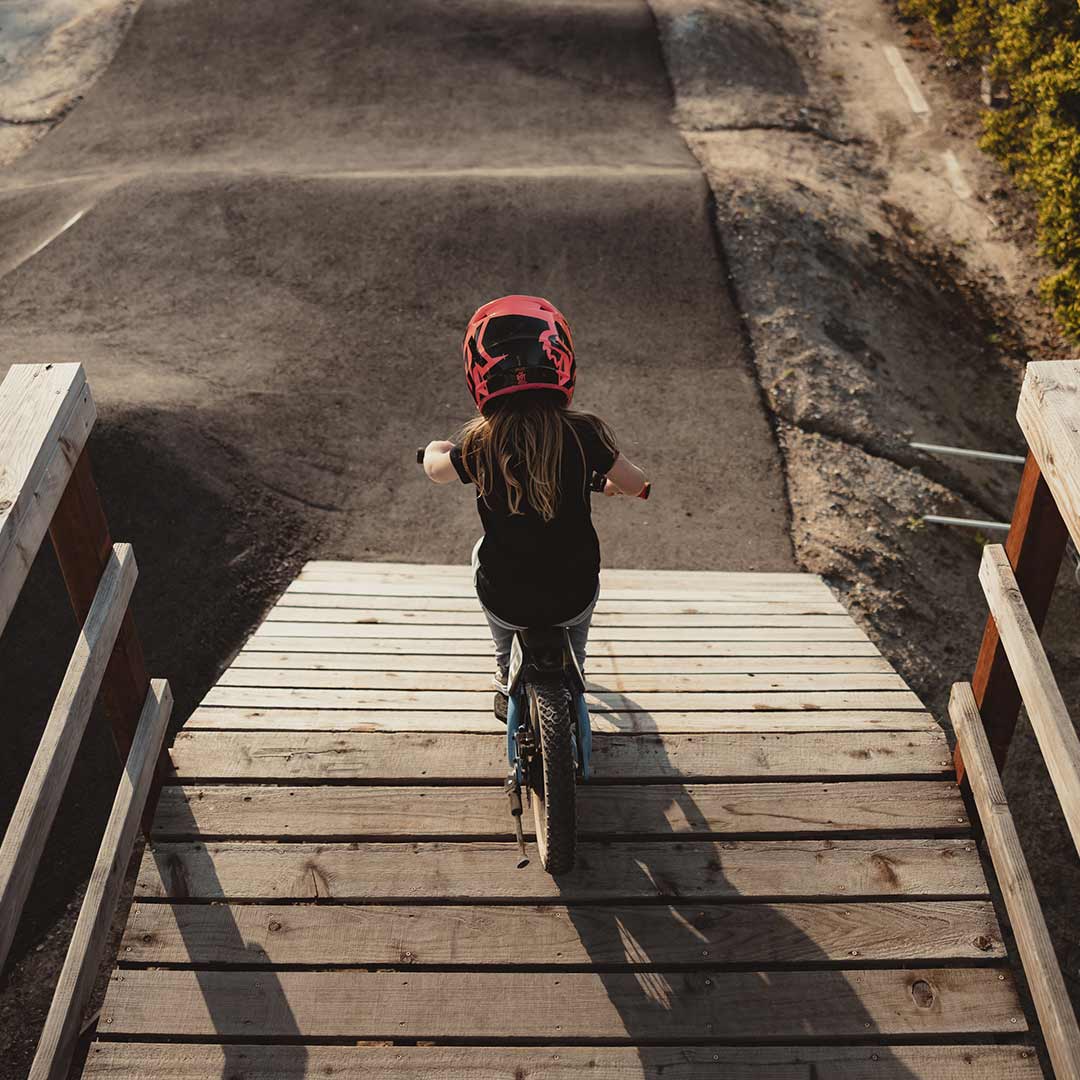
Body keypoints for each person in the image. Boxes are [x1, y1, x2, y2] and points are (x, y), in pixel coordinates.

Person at [421, 294, 649, 705]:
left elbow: (437, 472)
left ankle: (503, 664)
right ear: (562, 362)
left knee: (480, 552)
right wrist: (618, 484)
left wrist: (435, 450)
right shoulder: (585, 433)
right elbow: (636, 483)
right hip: (573, 594)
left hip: (507, 599)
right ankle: (576, 665)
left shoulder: (481, 442)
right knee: (582, 576)